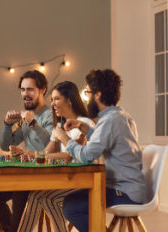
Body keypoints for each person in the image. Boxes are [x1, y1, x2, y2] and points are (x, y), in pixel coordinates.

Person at [53, 69, 147, 232]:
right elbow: (105, 141)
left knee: (71, 207)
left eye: (88, 92)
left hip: (124, 192)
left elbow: (86, 156)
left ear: (97, 95)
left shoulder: (109, 121)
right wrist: (82, 127)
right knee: (73, 200)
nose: (87, 98)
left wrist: (64, 138)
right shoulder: (121, 116)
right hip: (132, 188)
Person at [17, 81, 95, 232]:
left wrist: (62, 137)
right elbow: (47, 153)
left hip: (84, 180)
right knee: (37, 195)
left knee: (45, 197)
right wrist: (28, 154)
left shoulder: (84, 123)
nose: (52, 103)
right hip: (69, 179)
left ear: (69, 100)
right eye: (51, 99)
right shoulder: (60, 126)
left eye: (56, 99)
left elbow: (67, 157)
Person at [0, 70, 53, 232]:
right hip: (26, 175)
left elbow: (51, 144)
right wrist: (7, 124)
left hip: (48, 176)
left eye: (30, 89)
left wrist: (33, 123)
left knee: (19, 189)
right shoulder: (26, 117)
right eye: (23, 90)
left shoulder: (51, 115)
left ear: (42, 90)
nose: (25, 94)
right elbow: (5, 144)